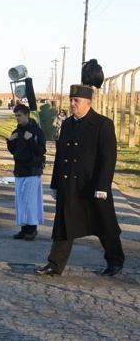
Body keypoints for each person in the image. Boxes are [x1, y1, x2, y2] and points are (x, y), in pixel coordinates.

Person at [37, 75, 124, 277]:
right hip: (69, 184)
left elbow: (108, 157)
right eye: (71, 100)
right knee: (63, 224)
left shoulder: (103, 124)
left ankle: (115, 260)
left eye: (76, 101)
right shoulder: (67, 125)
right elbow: (61, 156)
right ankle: (55, 264)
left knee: (104, 224)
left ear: (88, 103)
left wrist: (103, 186)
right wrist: (55, 183)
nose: (72, 103)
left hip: (92, 186)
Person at [6, 104, 46, 241]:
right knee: (21, 201)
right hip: (20, 170)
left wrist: (30, 140)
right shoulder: (16, 132)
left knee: (30, 201)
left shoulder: (36, 131)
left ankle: (32, 228)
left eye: (20, 115)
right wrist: (10, 141)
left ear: (27, 115)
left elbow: (41, 150)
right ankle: (23, 228)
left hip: (33, 170)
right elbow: (14, 151)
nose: (17, 118)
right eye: (16, 115)